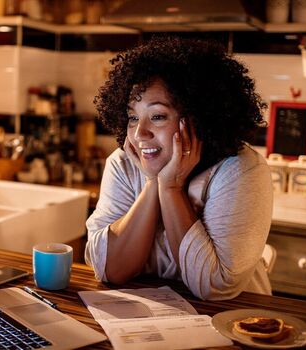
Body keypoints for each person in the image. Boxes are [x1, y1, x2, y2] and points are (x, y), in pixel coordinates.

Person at [84, 36, 273, 300]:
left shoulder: (239, 170)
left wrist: (171, 187)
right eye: (133, 117)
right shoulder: (123, 164)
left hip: (235, 324)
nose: (139, 133)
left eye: (158, 116)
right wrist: (153, 182)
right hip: (144, 322)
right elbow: (111, 269)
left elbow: (213, 286)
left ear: (198, 118)